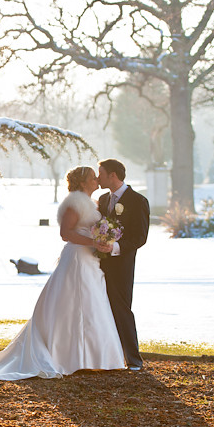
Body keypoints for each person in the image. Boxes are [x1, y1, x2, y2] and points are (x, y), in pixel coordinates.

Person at [0, 166, 126, 380]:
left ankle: (91, 358)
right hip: (76, 259)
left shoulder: (92, 203)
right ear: (82, 182)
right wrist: (93, 242)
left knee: (91, 305)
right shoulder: (74, 202)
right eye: (92, 177)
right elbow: (65, 233)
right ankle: (69, 357)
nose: (97, 180)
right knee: (73, 304)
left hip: (89, 260)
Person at [96, 158, 150, 370]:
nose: (97, 177)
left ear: (113, 175)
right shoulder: (101, 199)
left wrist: (115, 247)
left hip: (122, 266)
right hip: (97, 264)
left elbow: (140, 237)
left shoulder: (138, 201)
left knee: (122, 309)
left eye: (101, 173)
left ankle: (134, 360)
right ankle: (107, 357)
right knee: (100, 309)